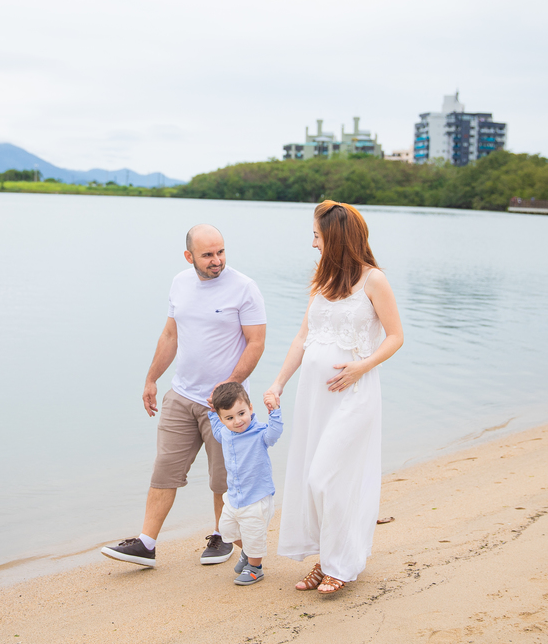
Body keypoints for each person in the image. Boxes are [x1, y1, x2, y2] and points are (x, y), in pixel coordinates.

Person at [102, 224, 267, 568]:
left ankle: (223, 537)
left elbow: (256, 342)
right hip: (181, 396)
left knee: (223, 478)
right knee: (164, 470)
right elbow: (170, 335)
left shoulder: (244, 288)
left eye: (221, 252)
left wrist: (228, 388)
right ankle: (146, 544)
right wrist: (151, 379)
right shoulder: (179, 283)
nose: (217, 260)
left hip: (225, 407)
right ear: (189, 256)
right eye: (207, 255)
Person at [263, 201, 404, 595]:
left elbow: (396, 336)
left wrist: (362, 366)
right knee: (315, 477)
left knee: (326, 475)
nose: (313, 244)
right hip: (315, 398)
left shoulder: (374, 280)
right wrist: (278, 383)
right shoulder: (322, 282)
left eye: (317, 236)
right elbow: (302, 338)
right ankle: (328, 559)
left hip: (354, 393)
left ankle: (341, 563)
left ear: (337, 238)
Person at [206, 382, 283, 586]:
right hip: (234, 497)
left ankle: (255, 568)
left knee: (254, 535)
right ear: (222, 419)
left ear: (250, 408)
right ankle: (247, 553)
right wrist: (212, 412)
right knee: (226, 530)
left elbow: (275, 433)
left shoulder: (259, 433)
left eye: (241, 413)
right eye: (229, 418)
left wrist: (274, 410)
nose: (238, 421)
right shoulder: (225, 433)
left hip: (256, 498)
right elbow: (216, 431)